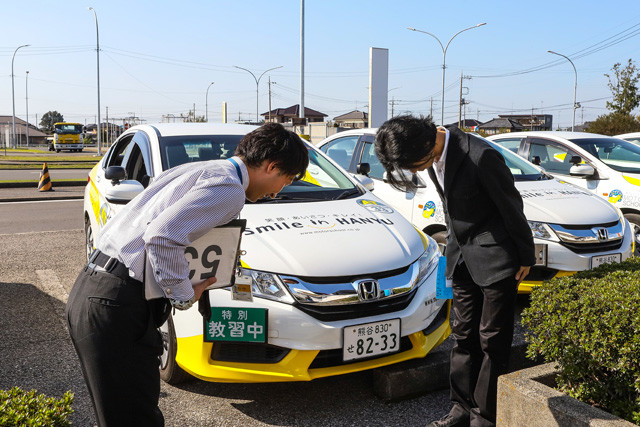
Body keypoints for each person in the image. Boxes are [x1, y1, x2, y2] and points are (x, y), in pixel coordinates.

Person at [66, 123, 309, 427]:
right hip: (118, 302)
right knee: (135, 419)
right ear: (271, 166)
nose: (278, 192)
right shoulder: (230, 189)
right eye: (285, 181)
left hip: (95, 288)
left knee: (119, 415)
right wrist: (182, 297)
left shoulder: (200, 169)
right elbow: (163, 235)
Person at [374, 115, 534, 427]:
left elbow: (511, 207)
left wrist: (526, 255)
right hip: (461, 258)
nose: (416, 171)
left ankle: (484, 417)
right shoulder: (432, 154)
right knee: (462, 336)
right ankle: (460, 409)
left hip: (497, 257)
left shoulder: (482, 156)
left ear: (425, 143)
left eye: (414, 164)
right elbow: (452, 209)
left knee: (493, 340)